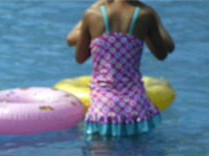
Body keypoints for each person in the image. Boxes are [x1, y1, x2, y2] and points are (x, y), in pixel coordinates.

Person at [70, 0, 174, 136]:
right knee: (140, 148)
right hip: (135, 105)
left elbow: (80, 58)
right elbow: (162, 54)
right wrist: (151, 23)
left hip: (103, 104)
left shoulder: (92, 14)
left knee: (99, 148)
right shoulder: (145, 15)